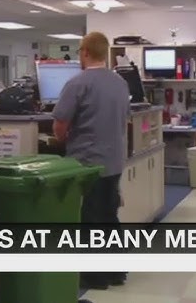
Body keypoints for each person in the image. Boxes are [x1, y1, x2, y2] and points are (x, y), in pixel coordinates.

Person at [52, 31, 130, 292]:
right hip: (114, 161)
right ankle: (116, 272)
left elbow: (60, 126)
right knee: (109, 216)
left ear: (84, 52)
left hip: (88, 162)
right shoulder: (120, 83)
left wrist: (60, 139)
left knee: (90, 220)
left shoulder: (77, 83)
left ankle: (95, 276)